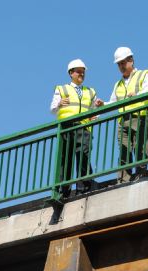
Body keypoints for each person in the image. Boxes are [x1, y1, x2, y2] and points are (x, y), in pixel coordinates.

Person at [50, 59, 103, 196]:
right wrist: (60, 103)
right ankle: (64, 190)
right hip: (67, 126)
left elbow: (94, 111)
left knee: (83, 154)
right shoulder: (62, 89)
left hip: (83, 127)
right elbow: (52, 108)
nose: (82, 74)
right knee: (65, 159)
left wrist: (95, 114)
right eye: (78, 71)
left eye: (83, 71)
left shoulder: (90, 92)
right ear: (71, 73)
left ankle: (83, 187)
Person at [108, 46, 148, 183]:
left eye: (123, 62)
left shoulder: (143, 74)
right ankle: (123, 179)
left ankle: (141, 175)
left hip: (140, 117)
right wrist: (101, 105)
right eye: (119, 64)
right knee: (124, 150)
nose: (121, 66)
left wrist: (137, 95)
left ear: (131, 60)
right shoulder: (118, 84)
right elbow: (112, 102)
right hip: (123, 121)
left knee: (140, 147)